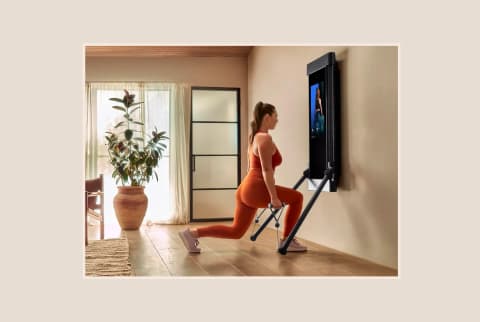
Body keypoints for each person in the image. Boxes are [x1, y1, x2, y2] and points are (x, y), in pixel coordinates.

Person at [178, 101, 306, 253]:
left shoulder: (254, 137)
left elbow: (250, 167)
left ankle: (192, 234)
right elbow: (266, 170)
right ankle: (287, 240)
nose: (277, 120)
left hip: (245, 188)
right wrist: (273, 197)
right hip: (256, 188)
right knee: (297, 198)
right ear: (267, 117)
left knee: (236, 231)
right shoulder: (265, 139)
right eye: (275, 116)